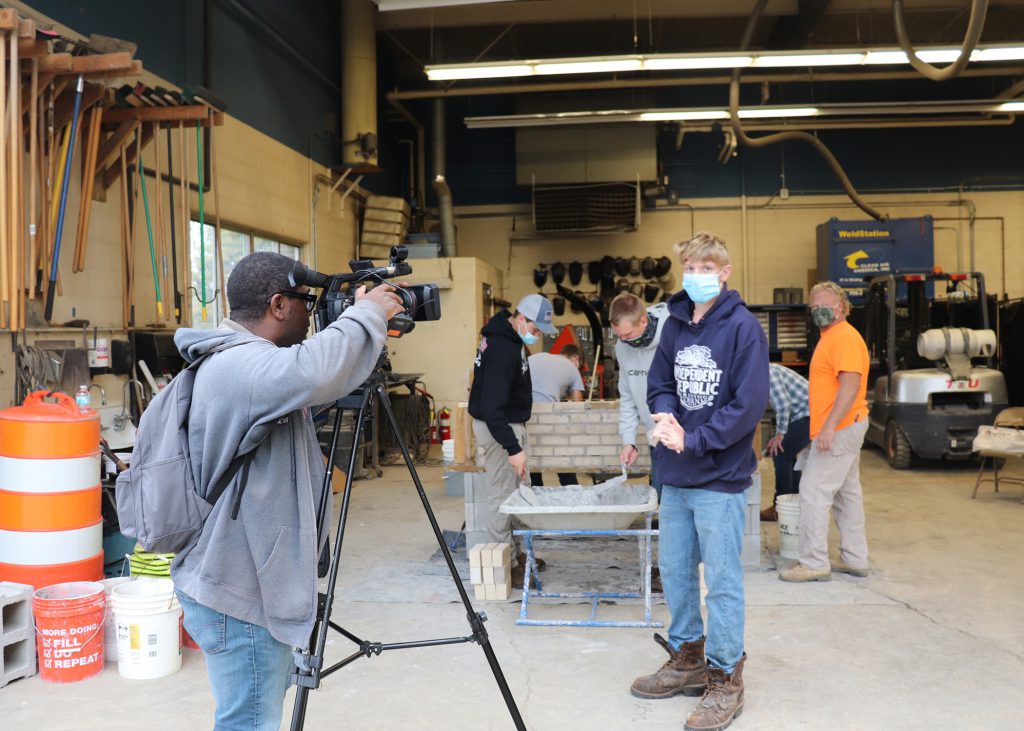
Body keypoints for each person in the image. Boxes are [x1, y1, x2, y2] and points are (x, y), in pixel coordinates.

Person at [170, 252, 404, 730]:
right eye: (305, 302)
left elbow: (313, 378)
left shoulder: (248, 362)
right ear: (279, 305)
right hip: (240, 587)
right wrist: (370, 312)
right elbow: (316, 371)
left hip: (244, 576)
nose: (313, 314)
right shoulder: (240, 365)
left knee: (255, 711)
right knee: (249, 722)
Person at [631, 232, 768, 731]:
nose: (697, 272)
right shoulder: (673, 325)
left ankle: (726, 677)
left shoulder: (744, 329)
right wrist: (666, 418)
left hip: (719, 476)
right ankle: (687, 658)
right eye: (690, 264)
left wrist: (694, 439)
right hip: (675, 474)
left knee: (723, 583)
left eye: (707, 265)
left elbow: (747, 406)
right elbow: (659, 382)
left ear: (725, 272)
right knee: (676, 571)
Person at [780, 282, 870, 583]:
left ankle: (814, 561)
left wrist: (829, 426)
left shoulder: (843, 337)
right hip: (847, 424)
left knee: (813, 492)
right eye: (814, 305)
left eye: (825, 305)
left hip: (840, 427)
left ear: (840, 307)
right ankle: (855, 558)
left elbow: (850, 384)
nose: (818, 310)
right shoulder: (831, 337)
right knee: (847, 494)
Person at [469, 293, 556, 586]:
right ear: (521, 319)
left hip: (507, 424)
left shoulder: (509, 340)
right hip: (499, 428)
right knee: (503, 499)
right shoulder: (502, 350)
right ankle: (505, 566)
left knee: (517, 495)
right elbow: (493, 408)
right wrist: (513, 447)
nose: (537, 335)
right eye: (534, 329)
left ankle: (520, 558)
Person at [609, 292, 669, 500]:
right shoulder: (622, 347)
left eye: (627, 334)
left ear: (643, 320)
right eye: (619, 335)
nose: (623, 340)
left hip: (683, 433)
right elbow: (628, 396)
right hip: (656, 436)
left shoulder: (673, 333)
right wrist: (629, 441)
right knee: (662, 498)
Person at [528, 344, 585, 487]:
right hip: (548, 414)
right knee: (562, 458)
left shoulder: (537, 357)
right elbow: (577, 406)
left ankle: (536, 497)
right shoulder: (572, 367)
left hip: (522, 412)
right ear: (575, 358)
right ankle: (571, 493)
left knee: (532, 459)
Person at [761, 363, 811, 522]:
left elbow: (783, 405)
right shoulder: (763, 371)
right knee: (788, 454)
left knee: (780, 451)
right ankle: (794, 503)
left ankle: (779, 508)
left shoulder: (767, 372)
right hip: (806, 414)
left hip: (809, 415)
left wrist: (780, 434)